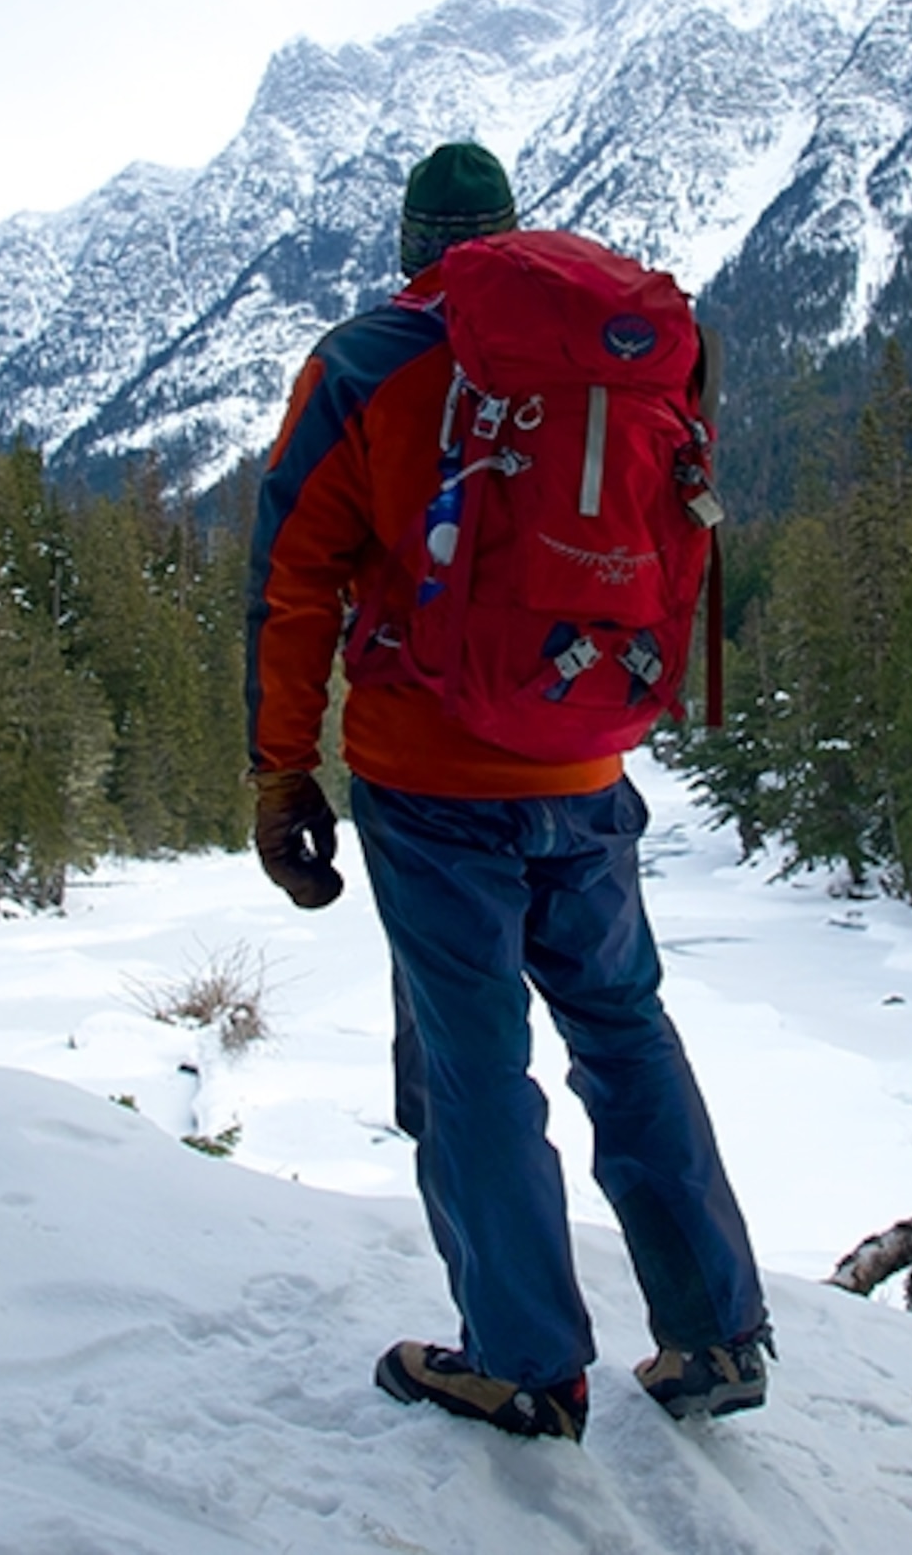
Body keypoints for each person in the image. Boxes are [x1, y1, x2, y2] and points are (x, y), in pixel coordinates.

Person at [242, 140, 771, 1444]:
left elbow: (293, 577)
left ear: (414, 243)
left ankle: (526, 1358)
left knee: (473, 1059)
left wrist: (279, 767)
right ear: (508, 235)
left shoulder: (363, 361)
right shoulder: (608, 348)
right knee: (625, 1027)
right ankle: (716, 1328)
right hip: (587, 761)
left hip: (429, 779)